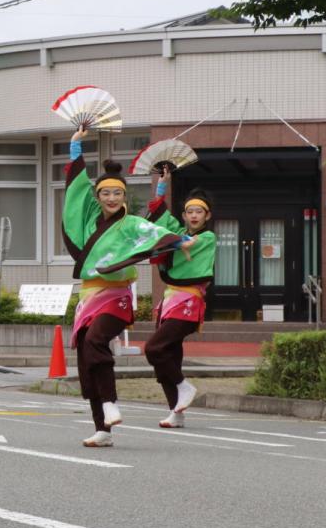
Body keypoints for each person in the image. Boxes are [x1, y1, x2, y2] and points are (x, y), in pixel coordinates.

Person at [61, 127, 183, 448]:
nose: (111, 198)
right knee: (86, 360)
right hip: (89, 296)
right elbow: (76, 188)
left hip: (116, 296)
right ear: (97, 197)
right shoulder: (89, 218)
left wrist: (178, 239)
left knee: (98, 340)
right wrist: (76, 146)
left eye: (117, 193)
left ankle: (112, 402)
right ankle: (102, 428)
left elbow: (152, 231)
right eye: (105, 193)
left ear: (124, 197)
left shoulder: (130, 224)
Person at [143, 170, 216, 428]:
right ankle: (176, 412)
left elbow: (179, 241)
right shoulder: (179, 231)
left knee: (154, 348)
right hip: (170, 302)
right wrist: (162, 185)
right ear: (184, 215)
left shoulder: (207, 238)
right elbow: (160, 220)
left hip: (188, 302)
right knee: (169, 357)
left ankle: (183, 387)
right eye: (189, 211)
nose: (194, 215)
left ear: (207, 216)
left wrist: (168, 240)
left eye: (199, 211)